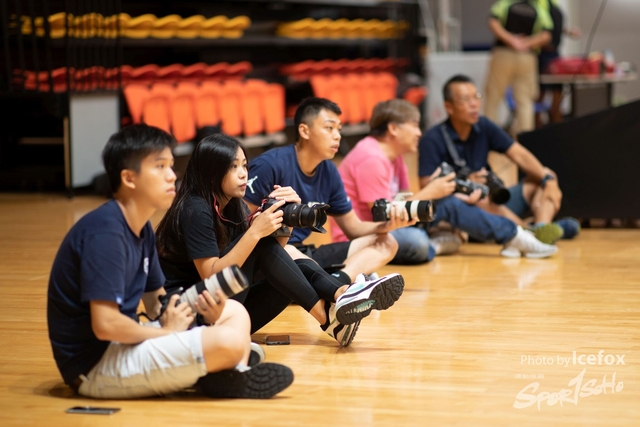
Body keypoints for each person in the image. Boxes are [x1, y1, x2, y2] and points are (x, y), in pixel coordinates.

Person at [47, 124, 293, 400]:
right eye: (160, 167)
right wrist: (167, 333)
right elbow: (106, 325)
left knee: (233, 311)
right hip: (97, 365)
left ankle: (219, 369)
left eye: (171, 166)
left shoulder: (140, 229)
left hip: (127, 343)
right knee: (230, 341)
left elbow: (155, 303)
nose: (171, 176)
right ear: (129, 178)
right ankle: (221, 365)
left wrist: (195, 315)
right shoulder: (106, 233)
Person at [155, 133, 404, 347]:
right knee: (263, 246)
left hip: (229, 310)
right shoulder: (195, 209)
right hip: (193, 317)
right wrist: (255, 233)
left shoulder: (232, 205)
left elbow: (275, 258)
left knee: (295, 267)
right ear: (211, 172)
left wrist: (284, 221)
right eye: (233, 167)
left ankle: (342, 295)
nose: (243, 174)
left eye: (244, 165)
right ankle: (330, 317)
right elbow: (211, 276)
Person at [336, 98, 558, 260]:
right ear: (393, 128)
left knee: (449, 203)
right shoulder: (371, 158)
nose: (419, 132)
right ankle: (511, 237)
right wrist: (431, 192)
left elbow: (402, 201)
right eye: (414, 125)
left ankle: (514, 237)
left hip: (389, 225)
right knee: (418, 243)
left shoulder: (395, 157)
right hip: (363, 236)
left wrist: (435, 194)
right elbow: (383, 215)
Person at [244, 97, 414, 284]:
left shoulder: (330, 171)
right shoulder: (270, 165)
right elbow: (240, 223)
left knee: (386, 241)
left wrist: (388, 225)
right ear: (304, 131)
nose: (337, 136)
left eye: (339, 129)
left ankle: (337, 282)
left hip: (303, 252)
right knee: (292, 255)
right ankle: (332, 284)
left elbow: (354, 229)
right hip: (271, 254)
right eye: (329, 128)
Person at [419, 75, 580, 247]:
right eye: (466, 99)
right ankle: (529, 232)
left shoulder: (484, 126)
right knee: (479, 197)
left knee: (542, 176)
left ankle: (541, 227)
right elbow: (426, 186)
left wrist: (549, 180)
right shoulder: (432, 139)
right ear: (448, 107)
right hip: (468, 213)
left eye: (476, 97)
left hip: (496, 200)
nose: (474, 104)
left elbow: (519, 154)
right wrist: (464, 184)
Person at [484, 0, 554, 134]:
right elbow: (547, 35)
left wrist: (511, 40)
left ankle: (489, 137)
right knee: (525, 101)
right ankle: (524, 139)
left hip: (504, 54)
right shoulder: (538, 9)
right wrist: (527, 43)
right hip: (527, 56)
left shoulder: (505, 4)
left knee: (493, 98)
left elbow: (493, 22)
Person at [535, 0, 581, 126]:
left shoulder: (554, 4)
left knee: (557, 91)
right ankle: (536, 126)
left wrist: (567, 31)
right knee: (540, 92)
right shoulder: (538, 4)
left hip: (555, 53)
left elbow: (553, 27)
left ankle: (556, 121)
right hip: (541, 53)